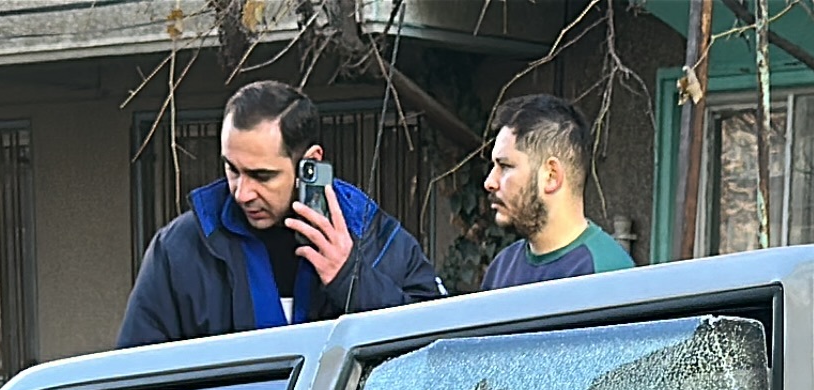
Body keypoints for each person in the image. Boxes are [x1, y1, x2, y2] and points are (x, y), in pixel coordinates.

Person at [115, 81, 441, 347]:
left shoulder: (373, 235)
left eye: (262, 176)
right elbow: (135, 377)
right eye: (232, 169)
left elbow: (437, 348)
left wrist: (351, 280)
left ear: (311, 162)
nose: (242, 193)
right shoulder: (178, 248)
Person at [479, 96, 632, 290]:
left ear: (551, 176)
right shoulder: (502, 268)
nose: (489, 182)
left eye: (505, 166)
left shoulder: (606, 274)